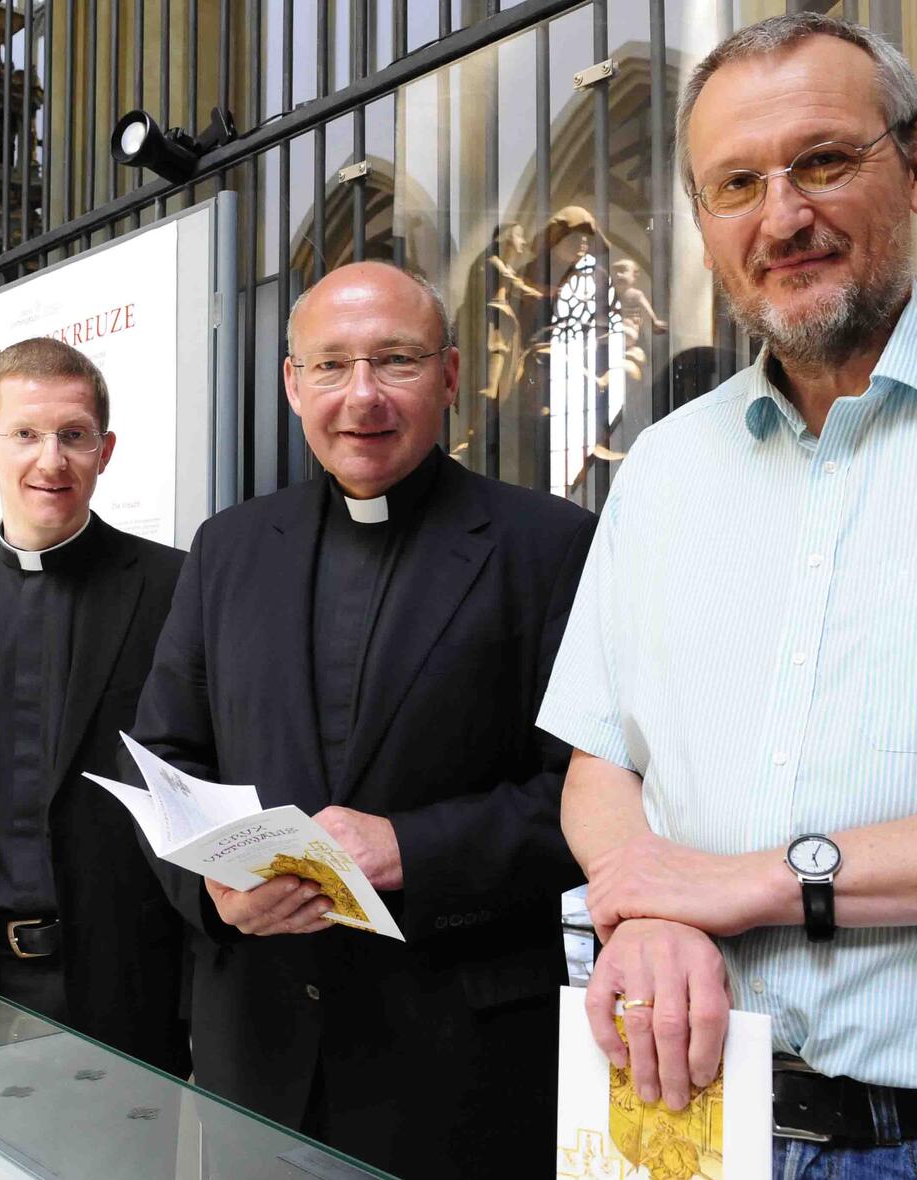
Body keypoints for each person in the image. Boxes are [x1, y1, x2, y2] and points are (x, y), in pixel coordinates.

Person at [539, 13, 917, 1177]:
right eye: (735, 184)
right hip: (706, 1124)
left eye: (823, 162)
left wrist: (740, 886)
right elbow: (602, 757)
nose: (781, 217)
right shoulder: (666, 469)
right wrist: (642, 906)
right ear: (701, 224)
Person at [130, 261, 595, 1178]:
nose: (363, 397)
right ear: (294, 385)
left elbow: (590, 793)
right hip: (255, 1051)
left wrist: (409, 848)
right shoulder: (229, 547)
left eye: (397, 361)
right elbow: (165, 761)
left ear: (453, 376)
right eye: (332, 366)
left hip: (461, 1060)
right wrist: (215, 898)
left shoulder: (547, 545)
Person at [0, 337, 189, 1077]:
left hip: (128, 985)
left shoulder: (175, 588)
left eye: (73, 435)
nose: (50, 460)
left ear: (104, 450)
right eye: (24, 434)